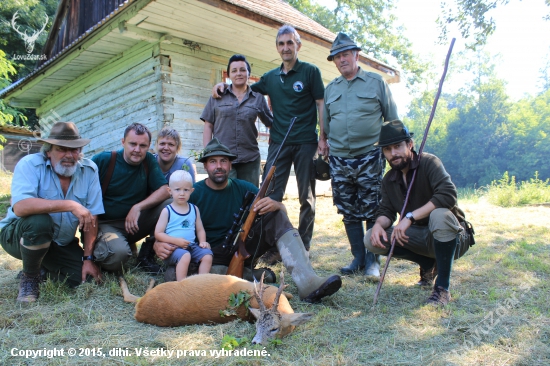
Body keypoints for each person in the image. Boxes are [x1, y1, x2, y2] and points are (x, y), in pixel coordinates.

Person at [154, 138, 342, 303]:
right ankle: (253, 276)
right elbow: (169, 224)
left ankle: (307, 281)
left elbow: (276, 213)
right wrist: (157, 244)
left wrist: (279, 206)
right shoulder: (191, 193)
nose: (218, 166)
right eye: (213, 161)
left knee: (276, 214)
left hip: (242, 248)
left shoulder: (245, 188)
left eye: (223, 161)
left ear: (230, 165)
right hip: (208, 254)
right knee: (173, 275)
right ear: (205, 166)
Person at [212, 25, 326, 262]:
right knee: (269, 195)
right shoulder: (271, 78)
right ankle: (272, 245)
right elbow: (244, 89)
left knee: (307, 196)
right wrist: (221, 86)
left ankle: (303, 246)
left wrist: (323, 137)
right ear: (277, 47)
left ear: (298, 46)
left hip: (306, 141)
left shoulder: (310, 72)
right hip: (279, 143)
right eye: (281, 44)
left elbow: (321, 103)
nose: (286, 48)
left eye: (290, 43)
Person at [365, 120, 474, 306]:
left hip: (452, 236)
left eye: (398, 146)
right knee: (370, 239)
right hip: (419, 237)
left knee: (439, 215)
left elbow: (448, 195)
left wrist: (409, 217)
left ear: (410, 144)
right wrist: (377, 225)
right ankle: (428, 263)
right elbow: (386, 211)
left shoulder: (429, 162)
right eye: (387, 149)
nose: (394, 154)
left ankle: (442, 289)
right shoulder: (389, 179)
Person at [0, 122, 104, 302]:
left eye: (74, 149)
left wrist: (88, 259)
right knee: (39, 222)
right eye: (62, 149)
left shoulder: (89, 170)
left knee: (83, 279)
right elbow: (21, 207)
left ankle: (41, 268)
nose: (69, 155)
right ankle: (30, 278)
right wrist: (70, 204)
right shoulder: (29, 165)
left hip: (60, 242)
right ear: (48, 151)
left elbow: (92, 217)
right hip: (18, 235)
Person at [323, 32, 399, 279]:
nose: (342, 59)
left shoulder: (376, 83)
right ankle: (357, 256)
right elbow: (324, 124)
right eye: (337, 56)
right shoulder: (331, 89)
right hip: (339, 159)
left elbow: (393, 121)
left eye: (346, 54)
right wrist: (322, 142)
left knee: (372, 208)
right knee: (347, 209)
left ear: (356, 55)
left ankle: (372, 261)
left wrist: (395, 151)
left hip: (370, 156)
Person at [92, 123, 170, 273]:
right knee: (118, 257)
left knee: (171, 204)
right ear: (123, 142)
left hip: (134, 222)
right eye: (132, 144)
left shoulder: (148, 160)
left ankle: (147, 254)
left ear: (148, 147)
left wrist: (138, 207)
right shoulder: (103, 160)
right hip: (107, 223)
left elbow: (165, 190)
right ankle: (102, 249)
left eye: (142, 146)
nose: (137, 150)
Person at [201, 54, 273, 187]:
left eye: (242, 70)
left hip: (250, 159)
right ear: (229, 74)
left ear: (248, 73)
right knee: (225, 196)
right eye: (234, 70)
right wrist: (208, 153)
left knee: (249, 197)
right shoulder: (218, 96)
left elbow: (271, 124)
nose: (238, 73)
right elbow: (208, 125)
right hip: (222, 158)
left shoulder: (258, 98)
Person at [155, 170, 212, 281]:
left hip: (192, 246)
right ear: (169, 191)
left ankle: (201, 283)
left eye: (186, 190)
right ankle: (182, 286)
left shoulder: (194, 209)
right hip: (173, 249)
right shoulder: (167, 211)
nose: (182, 193)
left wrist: (202, 241)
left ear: (192, 191)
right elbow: (158, 233)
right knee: (185, 256)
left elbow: (200, 229)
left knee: (207, 255)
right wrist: (176, 241)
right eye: (177, 189)